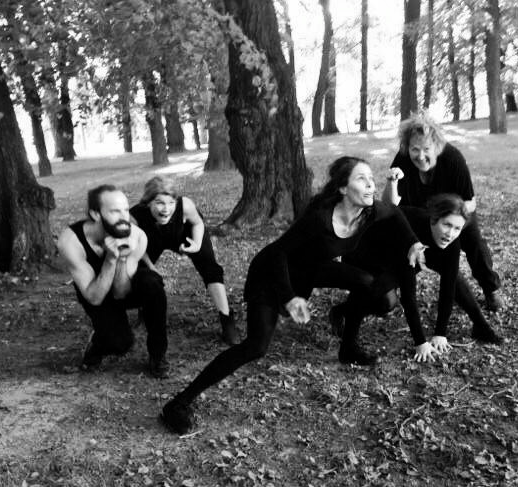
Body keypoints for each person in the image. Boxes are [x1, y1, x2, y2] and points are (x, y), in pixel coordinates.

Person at [159, 157, 425, 434]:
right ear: (343, 189)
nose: (371, 184)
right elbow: (278, 253)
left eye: (371, 178)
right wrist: (289, 297)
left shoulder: (369, 212)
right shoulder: (320, 218)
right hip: (272, 273)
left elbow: (395, 213)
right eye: (361, 179)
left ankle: (348, 348)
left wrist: (414, 243)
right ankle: (178, 404)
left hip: (310, 270)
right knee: (256, 346)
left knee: (369, 285)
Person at [331, 193, 501, 362]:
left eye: (457, 228)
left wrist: (440, 333)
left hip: (400, 251)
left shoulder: (452, 240)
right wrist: (420, 342)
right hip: (367, 248)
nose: (450, 233)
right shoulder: (411, 234)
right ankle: (346, 335)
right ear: (434, 219)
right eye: (447, 225)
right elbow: (408, 294)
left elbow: (448, 287)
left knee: (454, 277)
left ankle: (481, 326)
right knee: (384, 300)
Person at [383, 112, 505, 313]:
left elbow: (470, 202)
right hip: (421, 217)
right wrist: (391, 182)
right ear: (407, 147)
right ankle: (390, 288)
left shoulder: (453, 159)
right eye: (415, 149)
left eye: (426, 149)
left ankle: (490, 288)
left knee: (474, 242)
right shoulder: (403, 159)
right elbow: (389, 207)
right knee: (402, 239)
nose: (420, 156)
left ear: (437, 146)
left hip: (457, 213)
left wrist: (448, 221)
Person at [58, 184, 169, 377]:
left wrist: (122, 257)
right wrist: (110, 258)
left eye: (125, 210)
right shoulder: (70, 242)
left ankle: (158, 355)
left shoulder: (137, 236)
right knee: (120, 343)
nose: (124, 217)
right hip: (94, 288)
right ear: (96, 214)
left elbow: (120, 292)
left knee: (153, 283)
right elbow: (94, 298)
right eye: (115, 212)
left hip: (124, 283)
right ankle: (98, 343)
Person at [130, 176, 239, 345]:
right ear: (148, 202)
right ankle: (145, 308)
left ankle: (227, 320)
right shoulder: (135, 216)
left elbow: (198, 223)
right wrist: (151, 267)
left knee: (210, 267)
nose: (166, 209)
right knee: (140, 270)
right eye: (159, 203)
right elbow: (136, 247)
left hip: (183, 233)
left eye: (171, 202)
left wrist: (196, 245)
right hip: (151, 240)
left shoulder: (185, 205)